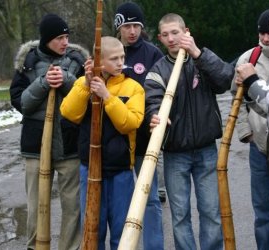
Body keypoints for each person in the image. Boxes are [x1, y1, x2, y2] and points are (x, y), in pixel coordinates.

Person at [145, 13, 234, 250]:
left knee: (211, 212)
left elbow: (225, 79)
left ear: (187, 31)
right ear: (160, 38)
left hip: (206, 150)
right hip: (176, 153)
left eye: (175, 32)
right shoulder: (157, 70)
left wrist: (198, 53)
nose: (171, 38)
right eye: (165, 35)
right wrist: (154, 116)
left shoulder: (201, 58)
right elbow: (151, 102)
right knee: (180, 215)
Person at [9, 14, 88, 250]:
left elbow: (86, 99)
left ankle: (69, 247)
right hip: (35, 147)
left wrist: (67, 80)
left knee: (72, 207)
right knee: (35, 206)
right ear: (46, 39)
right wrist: (43, 83)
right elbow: (20, 102)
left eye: (66, 37)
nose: (64, 42)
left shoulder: (77, 61)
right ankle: (36, 246)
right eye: (59, 38)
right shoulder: (27, 63)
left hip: (70, 145)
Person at [60, 36, 145, 250]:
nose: (120, 62)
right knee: (92, 233)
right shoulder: (83, 83)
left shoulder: (133, 87)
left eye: (122, 57)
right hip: (89, 170)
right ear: (98, 61)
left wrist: (107, 97)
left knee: (122, 234)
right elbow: (69, 113)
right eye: (114, 58)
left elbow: (130, 123)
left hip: (121, 171)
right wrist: (87, 86)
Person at [114, 2, 165, 249]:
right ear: (118, 27)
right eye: (127, 26)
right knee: (122, 201)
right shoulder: (109, 51)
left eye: (136, 25)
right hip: (116, 140)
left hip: (145, 138)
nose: (132, 31)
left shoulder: (152, 53)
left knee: (151, 198)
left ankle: (154, 246)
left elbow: (160, 92)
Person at [231, 8, 269, 250]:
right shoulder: (249, 58)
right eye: (262, 33)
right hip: (260, 147)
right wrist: (244, 131)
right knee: (263, 211)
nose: (266, 38)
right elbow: (236, 100)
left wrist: (253, 84)